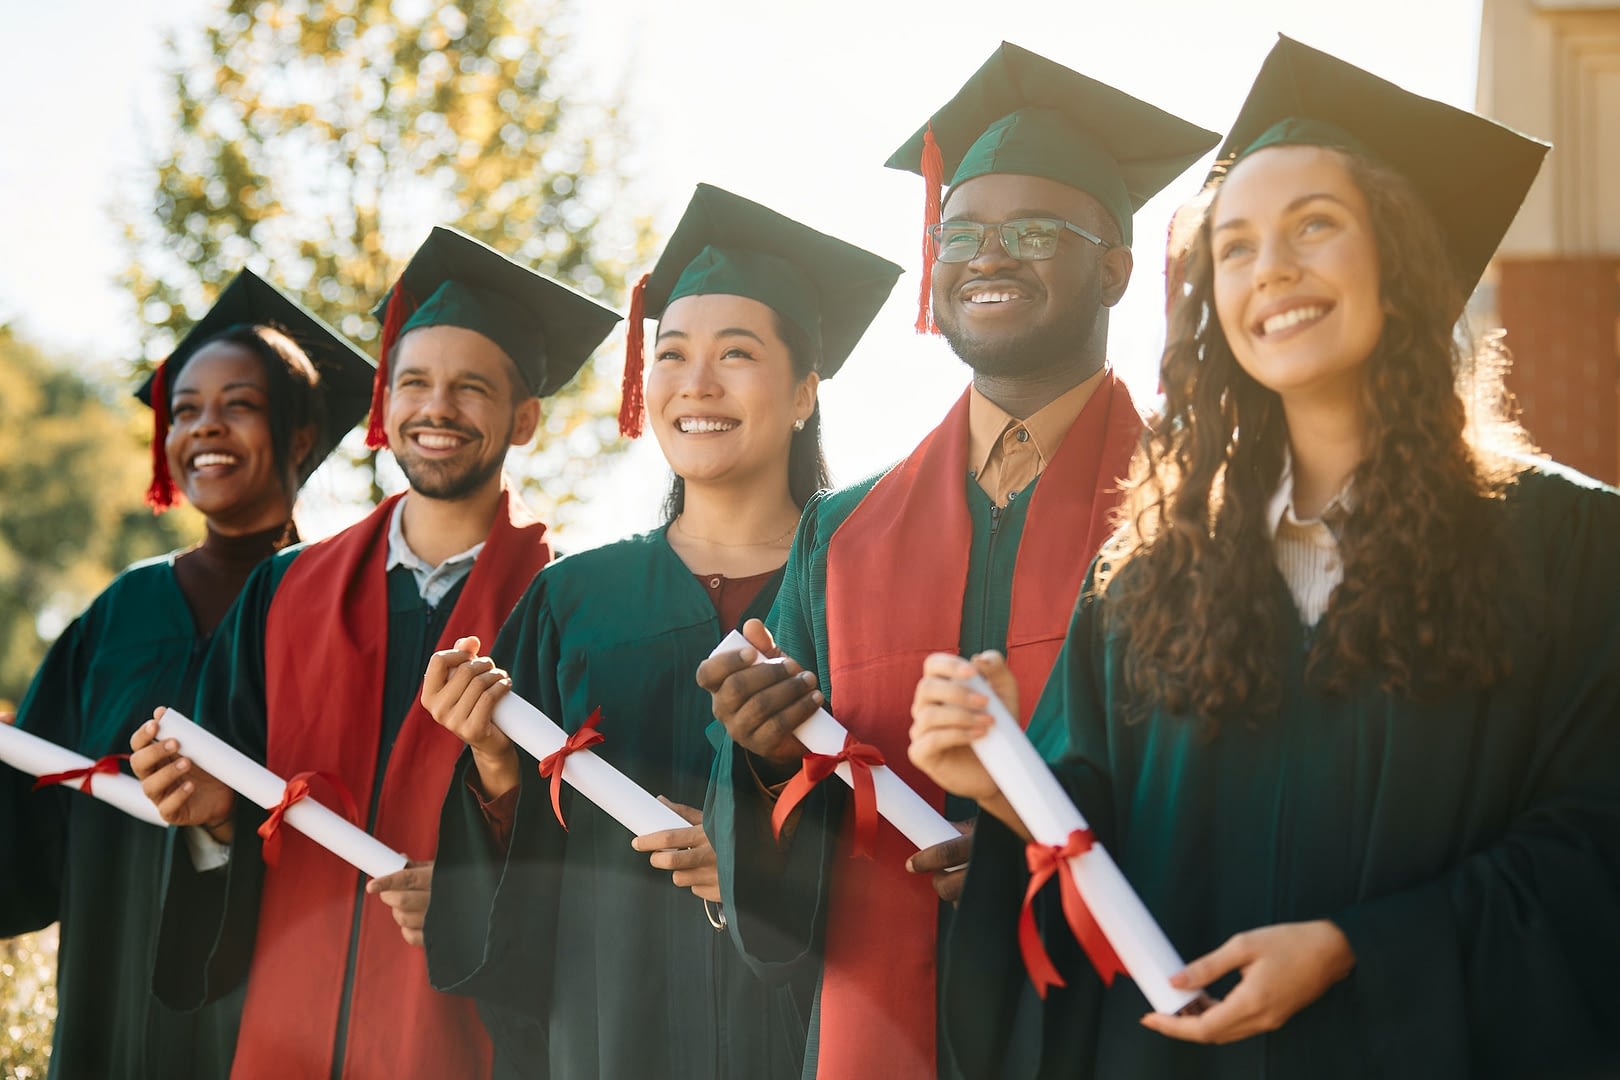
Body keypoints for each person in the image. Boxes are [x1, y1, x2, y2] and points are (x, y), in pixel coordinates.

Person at [909, 35, 1620, 1080]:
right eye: (1233, 244)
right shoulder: (1151, 577)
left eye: (1315, 226)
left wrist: (1356, 952)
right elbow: (1101, 855)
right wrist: (1005, 781)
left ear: (1403, 257)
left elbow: (1598, 846)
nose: (1270, 267)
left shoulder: (1570, 549)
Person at [695, 43, 1219, 1080]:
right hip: (884, 1026)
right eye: (962, 233)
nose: (987, 256)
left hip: (1111, 1025)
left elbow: (1248, 790)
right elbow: (779, 850)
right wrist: (759, 760)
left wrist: (1044, 861)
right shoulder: (841, 534)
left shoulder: (1204, 505)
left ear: (1116, 264)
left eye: (1032, 232)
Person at [419, 184, 902, 1079]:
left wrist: (760, 855)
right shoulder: (575, 601)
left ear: (804, 392)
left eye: (737, 354)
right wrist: (492, 762)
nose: (697, 382)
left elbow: (918, 828)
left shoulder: (868, 582)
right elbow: (512, 907)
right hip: (608, 1034)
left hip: (818, 1034)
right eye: (672, 354)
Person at [128, 227, 620, 1080]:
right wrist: (209, 815)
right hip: (288, 1027)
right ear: (383, 404)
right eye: (415, 382)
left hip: (467, 1039)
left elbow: (603, 856)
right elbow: (231, 812)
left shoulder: (572, 605)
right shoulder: (283, 592)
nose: (438, 408)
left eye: (473, 387)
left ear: (526, 418)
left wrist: (483, 898)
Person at [0, 269, 372, 1079]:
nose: (205, 428)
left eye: (238, 405)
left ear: (301, 434)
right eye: (185, 410)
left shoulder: (344, 612)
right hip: (111, 1006)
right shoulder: (119, 614)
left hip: (279, 1016)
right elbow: (25, 845)